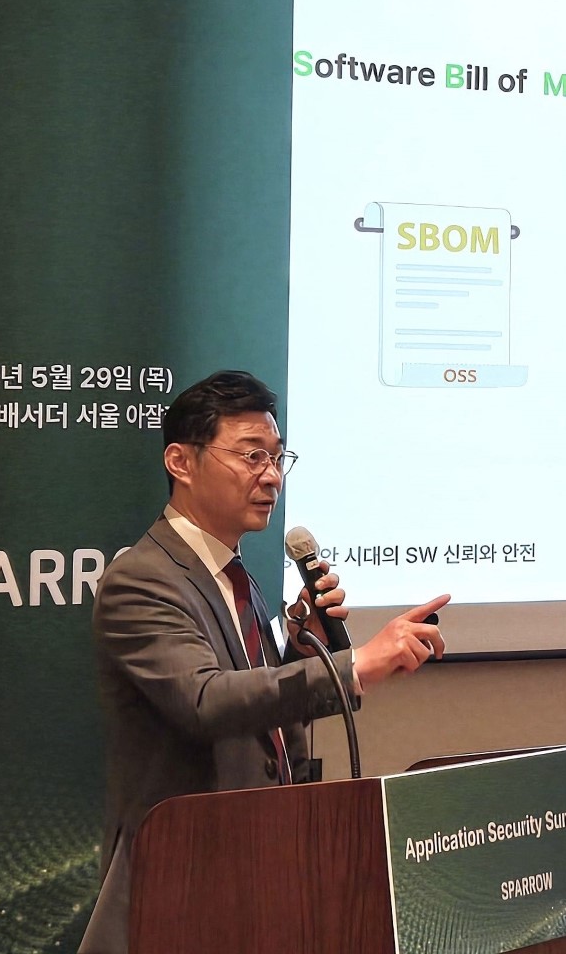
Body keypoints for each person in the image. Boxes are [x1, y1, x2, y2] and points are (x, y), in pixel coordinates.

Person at [77, 371, 449, 954]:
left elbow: (256, 709)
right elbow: (206, 701)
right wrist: (355, 666)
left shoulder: (237, 576)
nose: (271, 476)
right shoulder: (141, 579)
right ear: (180, 461)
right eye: (251, 455)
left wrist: (303, 646)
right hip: (184, 881)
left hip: (261, 863)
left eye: (277, 458)